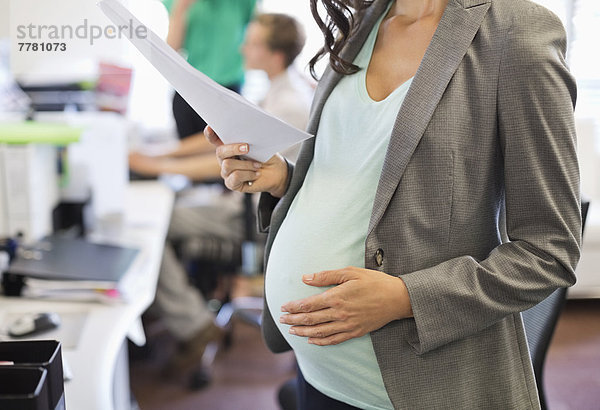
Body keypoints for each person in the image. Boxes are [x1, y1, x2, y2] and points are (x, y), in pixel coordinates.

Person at [207, 0, 581, 408]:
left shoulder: (515, 31)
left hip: (416, 388)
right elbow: (364, 171)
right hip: (317, 372)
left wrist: (406, 297)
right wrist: (284, 177)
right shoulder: (364, 21)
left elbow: (550, 250)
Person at [132, 13, 313, 378]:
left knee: (151, 226)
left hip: (252, 216)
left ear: (274, 54)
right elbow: (223, 139)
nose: (242, 47)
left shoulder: (288, 103)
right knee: (168, 207)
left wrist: (156, 166)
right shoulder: (278, 88)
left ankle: (193, 325)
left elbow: (229, 161)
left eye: (252, 42)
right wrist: (163, 155)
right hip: (239, 207)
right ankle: (185, 316)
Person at [164, 0, 256, 140]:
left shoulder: (241, 3)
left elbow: (257, 36)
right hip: (189, 89)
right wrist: (181, 8)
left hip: (229, 90)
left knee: (228, 153)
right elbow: (172, 49)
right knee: (186, 154)